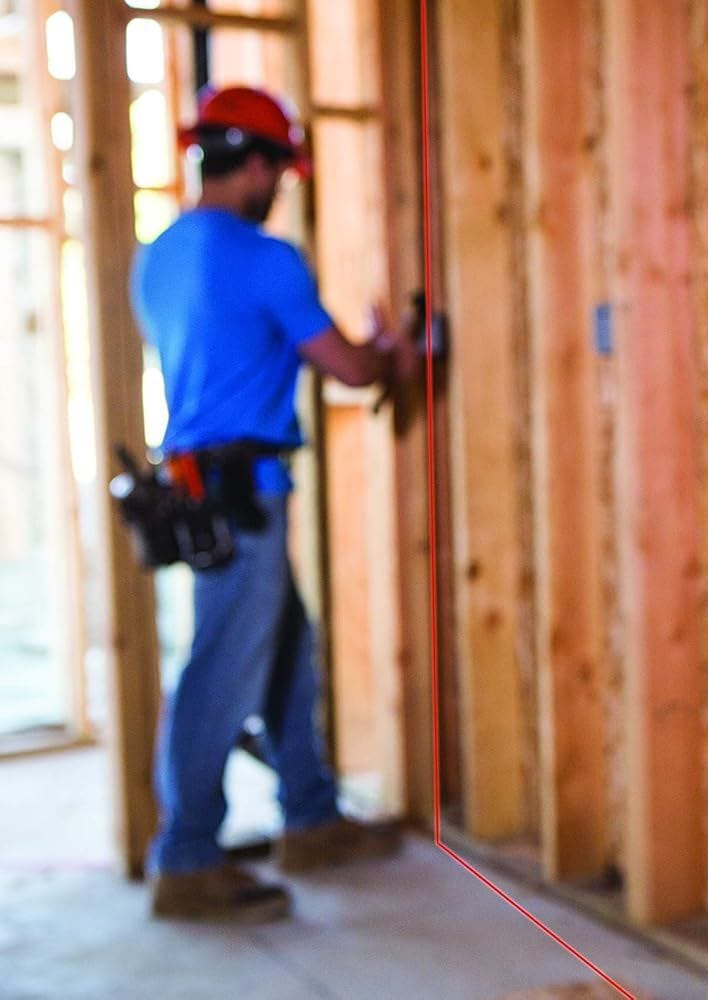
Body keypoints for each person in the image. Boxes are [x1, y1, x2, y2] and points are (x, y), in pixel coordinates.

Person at [130, 86, 418, 922]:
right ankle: (187, 858)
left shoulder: (158, 257)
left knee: (290, 646)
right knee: (220, 671)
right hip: (245, 497)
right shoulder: (267, 258)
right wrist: (393, 351)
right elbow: (350, 368)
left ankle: (311, 817)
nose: (280, 189)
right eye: (281, 173)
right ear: (255, 166)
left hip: (201, 493)